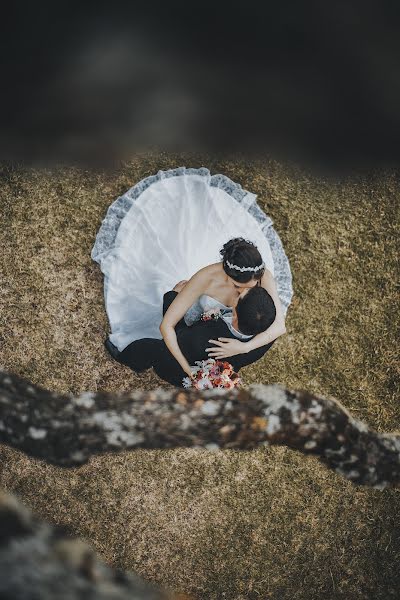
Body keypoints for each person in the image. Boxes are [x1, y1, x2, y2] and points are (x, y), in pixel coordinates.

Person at [91, 167, 294, 377]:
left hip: (212, 334)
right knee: (171, 314)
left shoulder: (262, 277)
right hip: (193, 327)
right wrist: (188, 369)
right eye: (238, 287)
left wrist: (242, 348)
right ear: (227, 274)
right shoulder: (206, 278)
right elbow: (167, 326)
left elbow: (279, 326)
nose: (244, 292)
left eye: (252, 287)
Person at [105, 282, 277, 387]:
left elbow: (175, 332)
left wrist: (173, 297)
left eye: (240, 296)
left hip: (178, 368)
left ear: (236, 315)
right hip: (205, 360)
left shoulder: (205, 338)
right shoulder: (264, 338)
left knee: (149, 347)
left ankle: (128, 358)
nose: (239, 292)